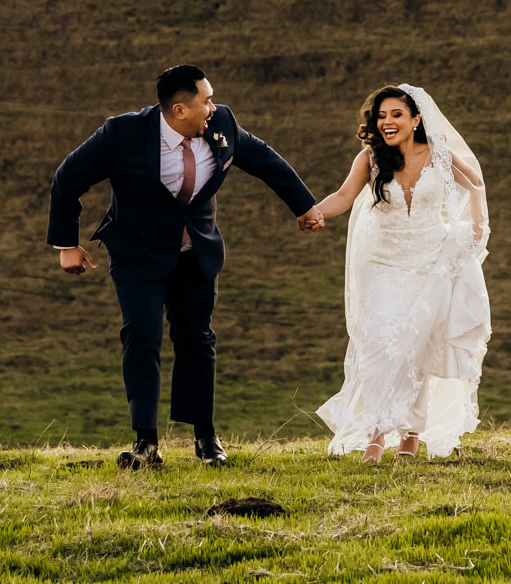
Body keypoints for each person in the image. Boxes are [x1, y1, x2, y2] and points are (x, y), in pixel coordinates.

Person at [47, 64, 320, 469]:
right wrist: (67, 245)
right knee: (142, 335)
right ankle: (145, 443)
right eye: (205, 101)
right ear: (178, 110)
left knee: (197, 339)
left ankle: (206, 437)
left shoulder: (222, 123)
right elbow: (68, 177)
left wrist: (304, 206)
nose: (214, 107)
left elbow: (263, 159)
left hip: (196, 253)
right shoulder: (122, 134)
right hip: (138, 254)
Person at [308, 84, 491, 462]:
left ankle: (411, 433)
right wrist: (314, 211)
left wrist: (475, 227)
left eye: (396, 115)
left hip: (430, 260)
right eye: (381, 116)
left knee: (417, 346)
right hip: (382, 262)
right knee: (378, 343)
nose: (387, 122)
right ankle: (375, 434)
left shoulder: (440, 155)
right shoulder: (371, 159)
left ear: (416, 119)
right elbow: (344, 196)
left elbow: (476, 182)